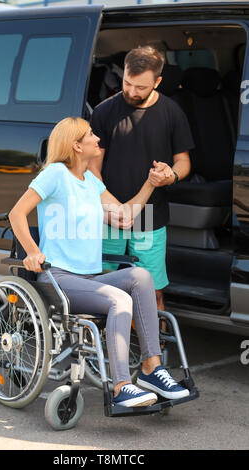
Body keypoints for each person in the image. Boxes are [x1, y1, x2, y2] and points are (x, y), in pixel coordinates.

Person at [8, 116, 189, 408]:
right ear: (76, 146)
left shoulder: (90, 181)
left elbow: (125, 216)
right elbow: (17, 213)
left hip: (89, 278)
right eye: (91, 135)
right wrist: (31, 250)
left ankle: (151, 370)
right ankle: (120, 387)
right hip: (58, 278)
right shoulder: (54, 174)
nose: (97, 138)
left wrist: (150, 183)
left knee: (141, 276)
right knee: (119, 299)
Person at [89, 46, 194, 311]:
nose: (132, 92)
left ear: (158, 81)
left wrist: (171, 176)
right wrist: (113, 207)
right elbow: (92, 169)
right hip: (108, 216)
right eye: (127, 83)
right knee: (102, 286)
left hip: (150, 215)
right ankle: (106, 348)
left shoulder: (172, 112)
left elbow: (184, 162)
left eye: (141, 87)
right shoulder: (103, 112)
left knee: (153, 293)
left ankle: (152, 351)